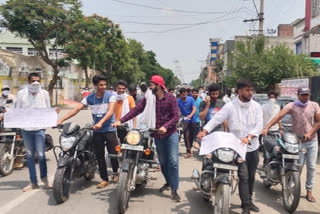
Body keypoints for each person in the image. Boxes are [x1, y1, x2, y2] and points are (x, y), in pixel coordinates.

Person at [198, 80, 263, 214]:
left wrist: (249, 137)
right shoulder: (230, 106)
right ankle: (245, 207)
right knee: (243, 176)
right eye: (247, 90)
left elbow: (259, 126)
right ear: (239, 91)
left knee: (251, 177)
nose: (250, 93)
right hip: (237, 148)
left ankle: (249, 201)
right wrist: (205, 130)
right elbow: (217, 119)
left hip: (252, 147)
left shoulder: (256, 106)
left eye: (251, 90)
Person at [113, 75, 181, 202]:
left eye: (152, 85)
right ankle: (168, 182)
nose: (150, 87)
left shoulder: (170, 98)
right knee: (163, 162)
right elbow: (137, 110)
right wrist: (121, 121)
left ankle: (174, 189)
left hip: (170, 133)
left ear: (159, 86)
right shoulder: (149, 98)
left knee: (173, 162)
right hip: (157, 134)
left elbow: (176, 116)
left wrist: (166, 126)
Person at [57, 75, 119, 188]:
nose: (103, 87)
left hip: (109, 130)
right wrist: (62, 119)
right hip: (97, 132)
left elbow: (110, 112)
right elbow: (76, 109)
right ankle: (104, 179)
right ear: (95, 86)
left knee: (113, 154)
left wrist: (101, 122)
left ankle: (115, 172)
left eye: (105, 84)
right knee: (99, 155)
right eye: (101, 85)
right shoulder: (89, 98)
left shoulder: (111, 96)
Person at [262, 87, 320, 203]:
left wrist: (309, 133)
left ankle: (309, 191)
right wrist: (267, 127)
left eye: (307, 95)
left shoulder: (314, 105)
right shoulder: (292, 106)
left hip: (312, 140)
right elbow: (278, 116)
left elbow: (319, 121)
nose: (305, 97)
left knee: (311, 167)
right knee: (298, 166)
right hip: (297, 142)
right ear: (298, 95)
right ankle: (293, 187)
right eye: (303, 95)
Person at [15, 73, 53, 192]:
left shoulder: (44, 94)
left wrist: (53, 114)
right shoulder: (21, 94)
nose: (35, 83)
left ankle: (45, 179)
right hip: (26, 130)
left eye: (38, 81)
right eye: (33, 81)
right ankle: (33, 182)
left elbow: (48, 109)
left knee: (41, 155)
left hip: (39, 129)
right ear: (28, 82)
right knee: (30, 156)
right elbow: (17, 110)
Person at [261, 92, 282, 166]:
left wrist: (281, 128)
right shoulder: (263, 106)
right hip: (266, 131)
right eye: (270, 97)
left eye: (273, 97)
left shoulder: (278, 107)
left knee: (277, 148)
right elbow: (260, 118)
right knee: (266, 149)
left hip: (275, 131)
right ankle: (265, 164)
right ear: (268, 98)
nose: (272, 99)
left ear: (276, 98)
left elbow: (278, 119)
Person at [114, 80, 136, 144]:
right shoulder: (112, 98)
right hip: (114, 126)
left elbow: (134, 113)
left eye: (123, 89)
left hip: (126, 126)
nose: (121, 90)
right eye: (119, 88)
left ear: (125, 89)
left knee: (125, 144)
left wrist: (134, 126)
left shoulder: (129, 98)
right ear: (116, 88)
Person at [177, 88, 196, 158]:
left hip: (192, 120)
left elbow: (194, 108)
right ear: (180, 94)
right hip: (185, 120)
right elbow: (177, 109)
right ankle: (188, 150)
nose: (185, 96)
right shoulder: (178, 101)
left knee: (191, 136)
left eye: (186, 94)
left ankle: (190, 148)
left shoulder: (190, 99)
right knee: (186, 135)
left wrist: (191, 115)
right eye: (183, 95)